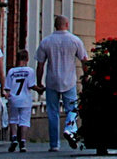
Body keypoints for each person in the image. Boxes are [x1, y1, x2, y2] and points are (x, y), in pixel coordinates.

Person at [35, 16, 88, 150]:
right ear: (67, 24)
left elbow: (40, 64)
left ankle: (54, 144)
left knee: (53, 112)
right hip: (69, 80)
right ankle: (69, 128)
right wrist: (86, 75)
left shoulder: (46, 42)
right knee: (72, 109)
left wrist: (39, 82)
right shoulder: (75, 40)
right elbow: (84, 60)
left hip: (52, 81)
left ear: (55, 25)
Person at [5, 50, 36, 153]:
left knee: (13, 119)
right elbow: (31, 85)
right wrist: (40, 89)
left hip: (13, 98)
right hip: (25, 99)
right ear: (27, 59)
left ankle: (14, 138)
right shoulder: (30, 71)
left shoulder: (11, 71)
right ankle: (22, 142)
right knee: (24, 121)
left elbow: (7, 88)